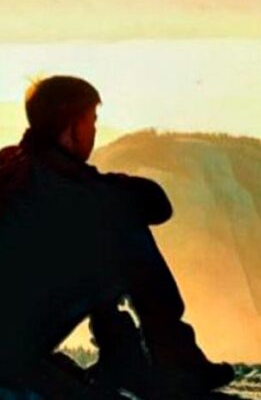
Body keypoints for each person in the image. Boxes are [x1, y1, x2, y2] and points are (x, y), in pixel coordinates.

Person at [0, 75, 235, 399]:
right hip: (12, 351)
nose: (94, 131)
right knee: (125, 230)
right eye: (91, 121)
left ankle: (123, 355)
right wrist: (112, 186)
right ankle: (175, 362)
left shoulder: (13, 165)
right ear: (70, 127)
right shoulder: (77, 191)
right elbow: (157, 205)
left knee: (100, 232)